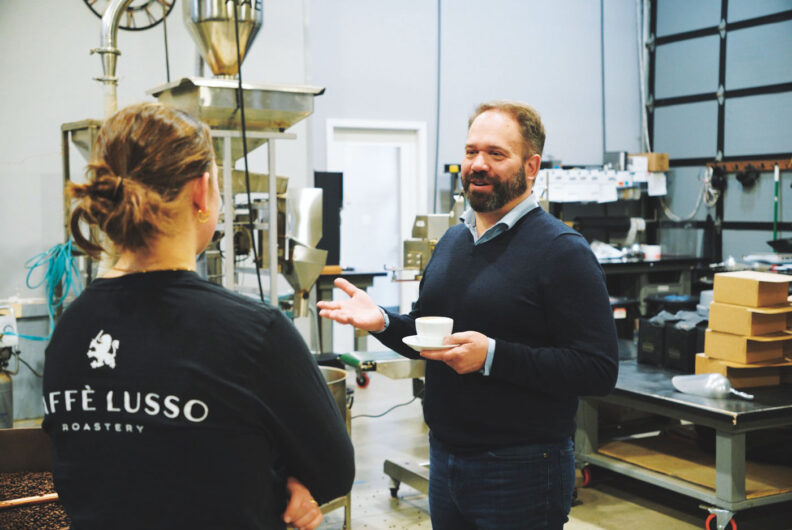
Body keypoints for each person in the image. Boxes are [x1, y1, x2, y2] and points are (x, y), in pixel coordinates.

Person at [42, 102, 354, 530]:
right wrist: (286, 481)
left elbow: (99, 469)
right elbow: (334, 471)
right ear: (201, 192)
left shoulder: (70, 328)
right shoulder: (257, 334)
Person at [318, 100, 618, 529]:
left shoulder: (561, 251)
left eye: (496, 154)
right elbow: (429, 338)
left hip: (522, 469)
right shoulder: (453, 242)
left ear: (531, 167)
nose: (478, 164)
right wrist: (383, 321)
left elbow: (597, 369)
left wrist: (493, 356)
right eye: (471, 151)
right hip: (445, 460)